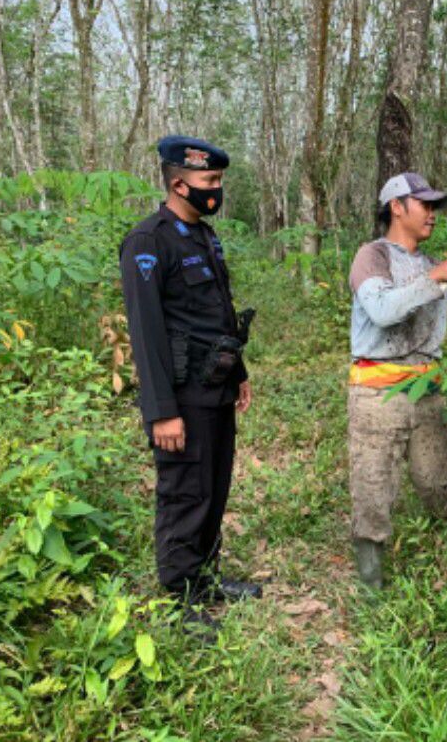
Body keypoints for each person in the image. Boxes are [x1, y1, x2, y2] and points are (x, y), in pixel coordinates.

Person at [119, 135, 260, 631]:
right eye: (209, 182)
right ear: (178, 184)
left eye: (218, 181)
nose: (216, 190)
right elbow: (146, 333)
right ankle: (180, 602)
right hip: (180, 395)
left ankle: (205, 578)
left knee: (214, 486)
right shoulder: (148, 242)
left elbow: (218, 312)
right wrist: (161, 411)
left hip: (215, 385)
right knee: (184, 492)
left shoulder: (204, 236)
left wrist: (239, 373)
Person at [347, 172, 447, 589]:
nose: (432, 214)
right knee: (373, 482)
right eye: (425, 205)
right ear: (397, 207)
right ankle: (370, 582)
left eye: (435, 206)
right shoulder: (373, 256)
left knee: (437, 477)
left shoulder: (430, 264)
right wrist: (437, 278)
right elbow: (381, 309)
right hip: (377, 391)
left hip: (426, 389)